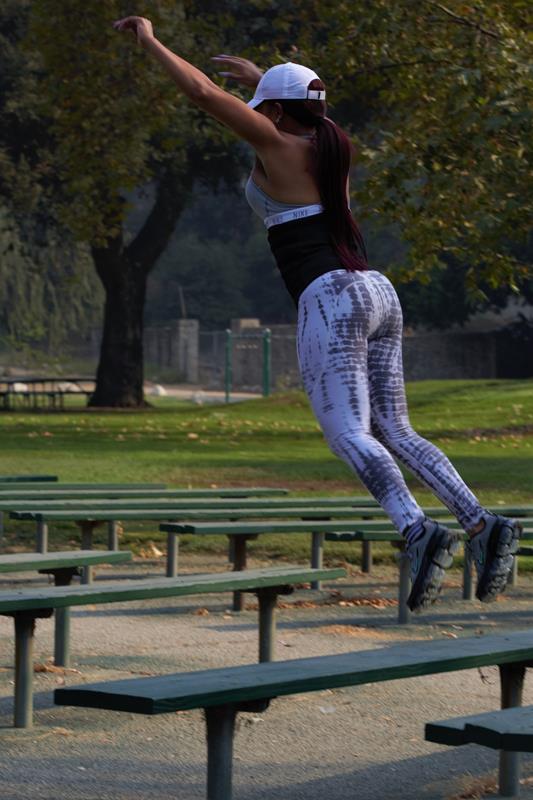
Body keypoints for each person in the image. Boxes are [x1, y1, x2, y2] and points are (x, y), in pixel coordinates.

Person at [112, 16, 521, 611]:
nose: (255, 116)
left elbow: (202, 93)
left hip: (330, 297)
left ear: (276, 113)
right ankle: (481, 523)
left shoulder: (277, 144)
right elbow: (307, 108)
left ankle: (417, 530)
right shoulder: (333, 144)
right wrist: (267, 79)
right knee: (396, 429)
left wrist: (150, 41)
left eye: (263, 108)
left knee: (349, 433)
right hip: (378, 291)